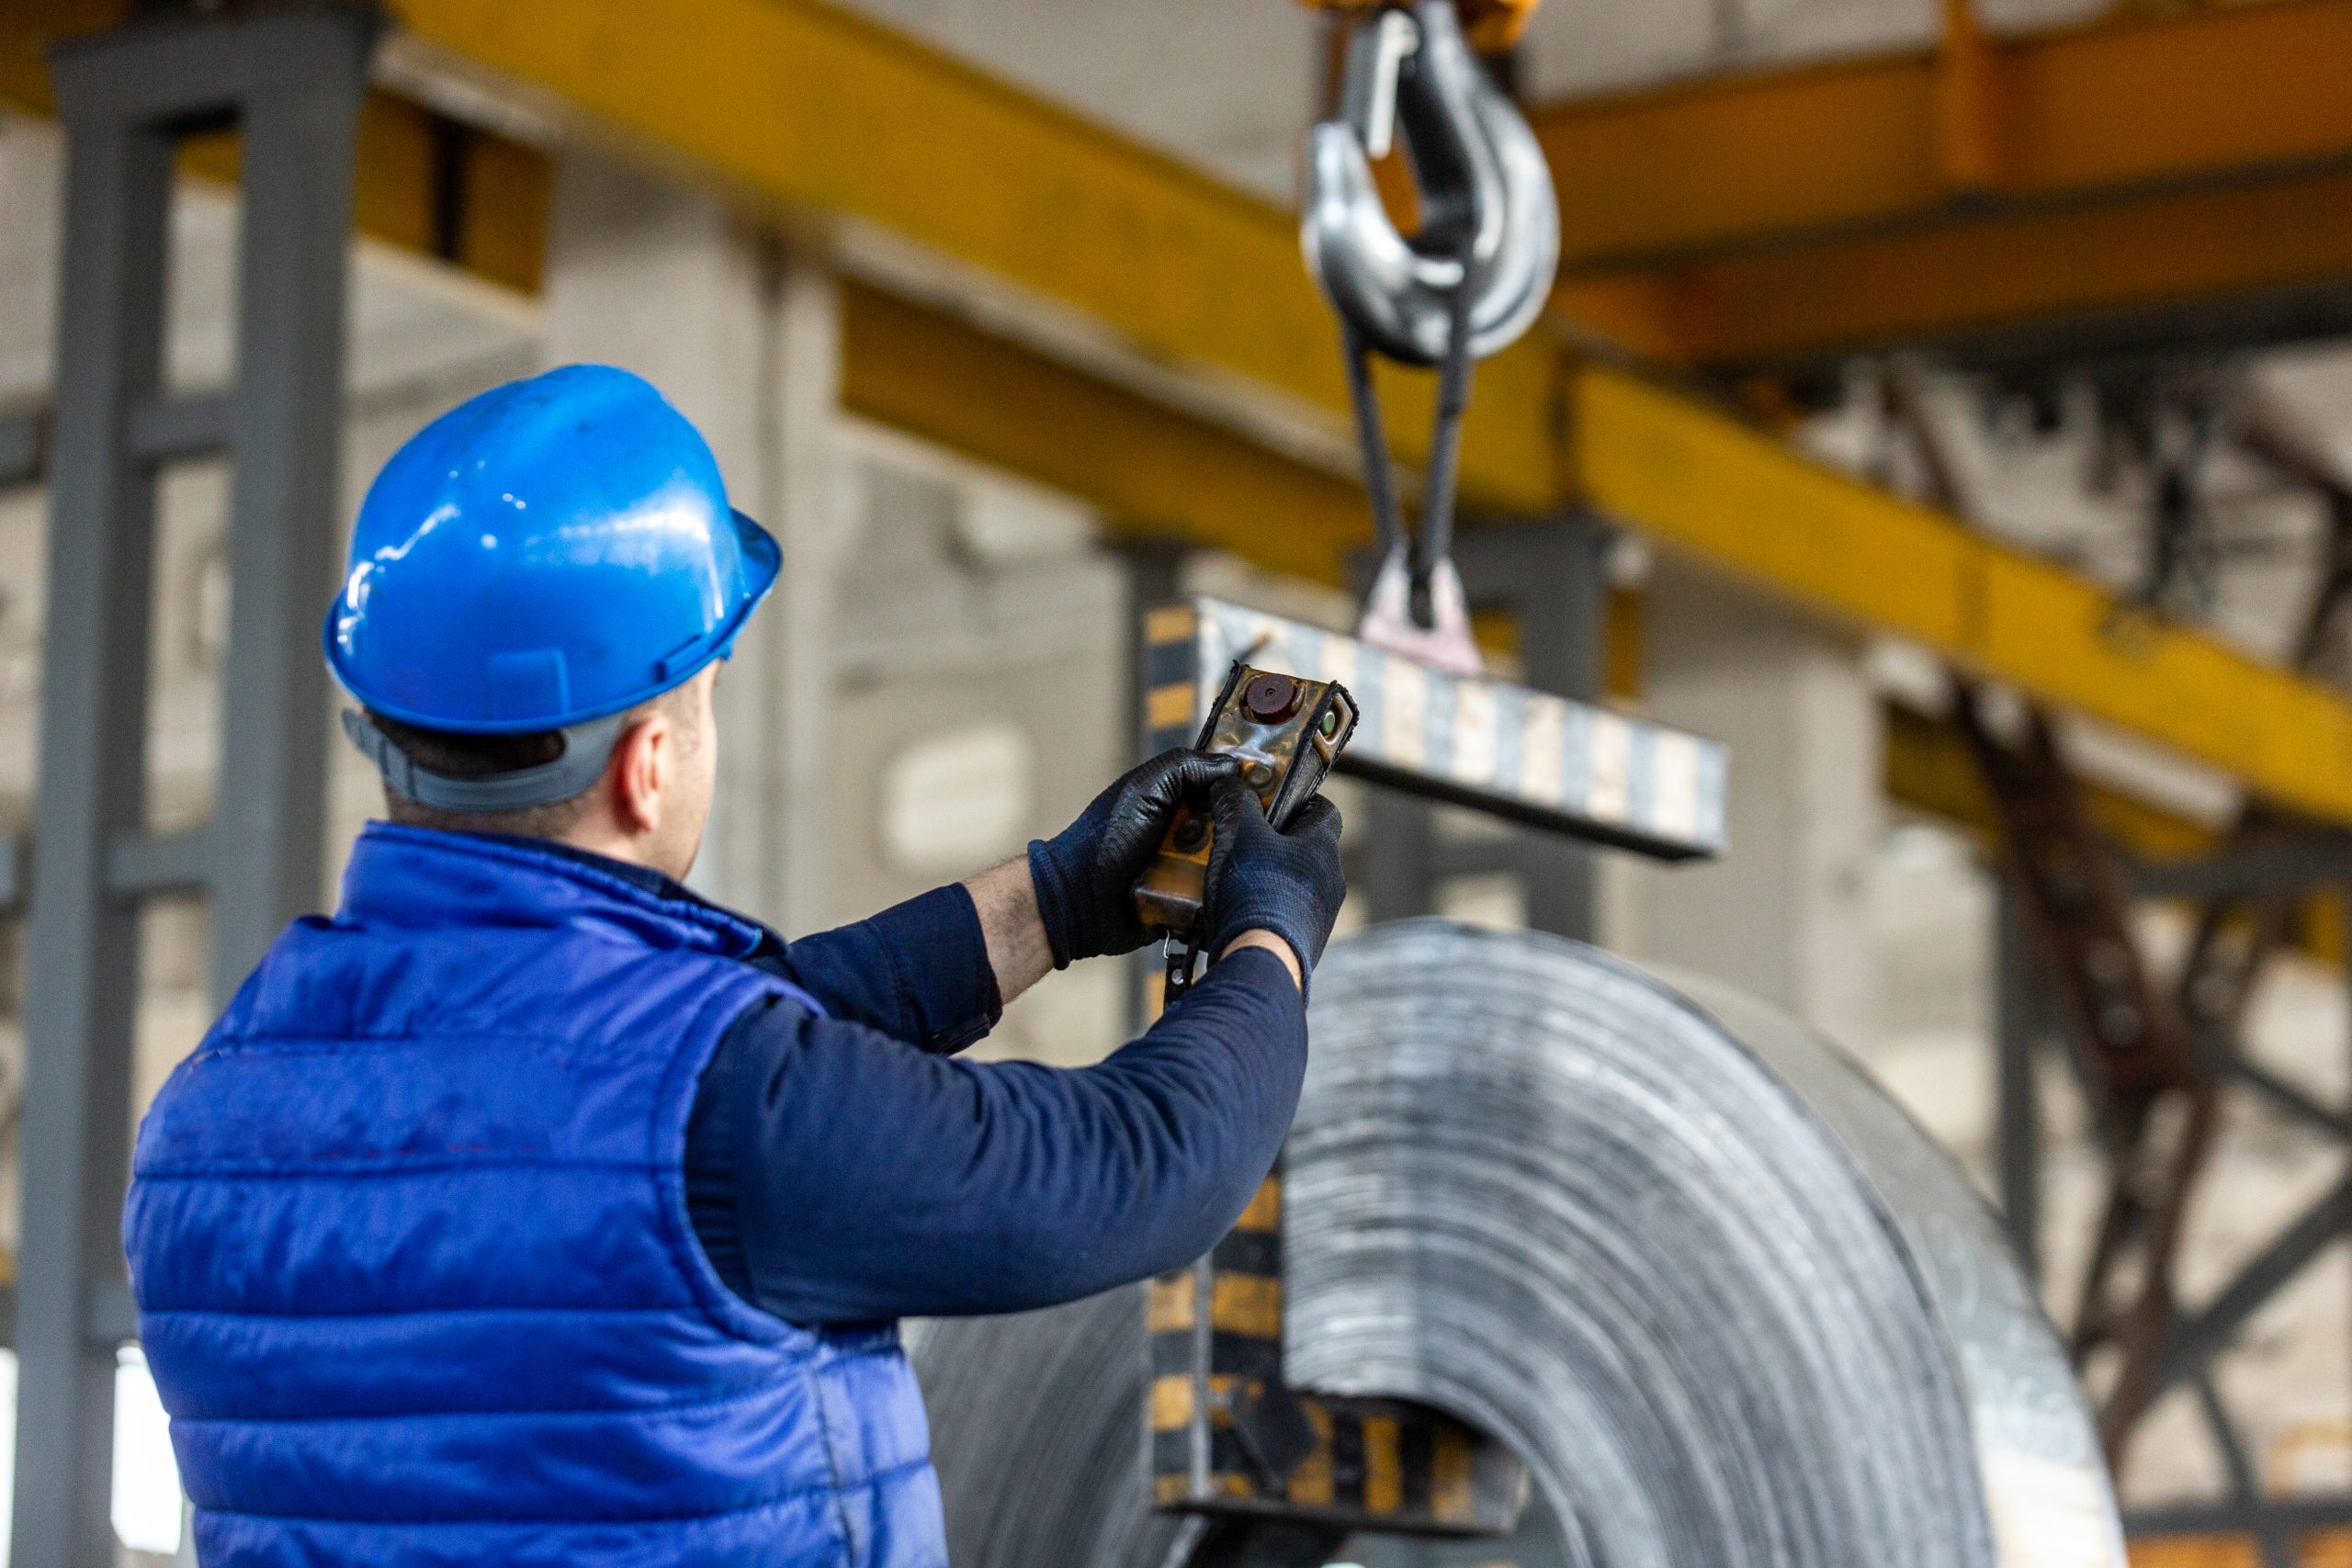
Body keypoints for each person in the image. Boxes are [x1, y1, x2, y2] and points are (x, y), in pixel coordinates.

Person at [122, 365, 1347, 1568]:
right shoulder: (725, 1111)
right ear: (647, 763)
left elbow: (639, 1070)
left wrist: (1055, 899)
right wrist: (1268, 937)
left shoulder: (205, 1117)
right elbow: (1138, 1169)